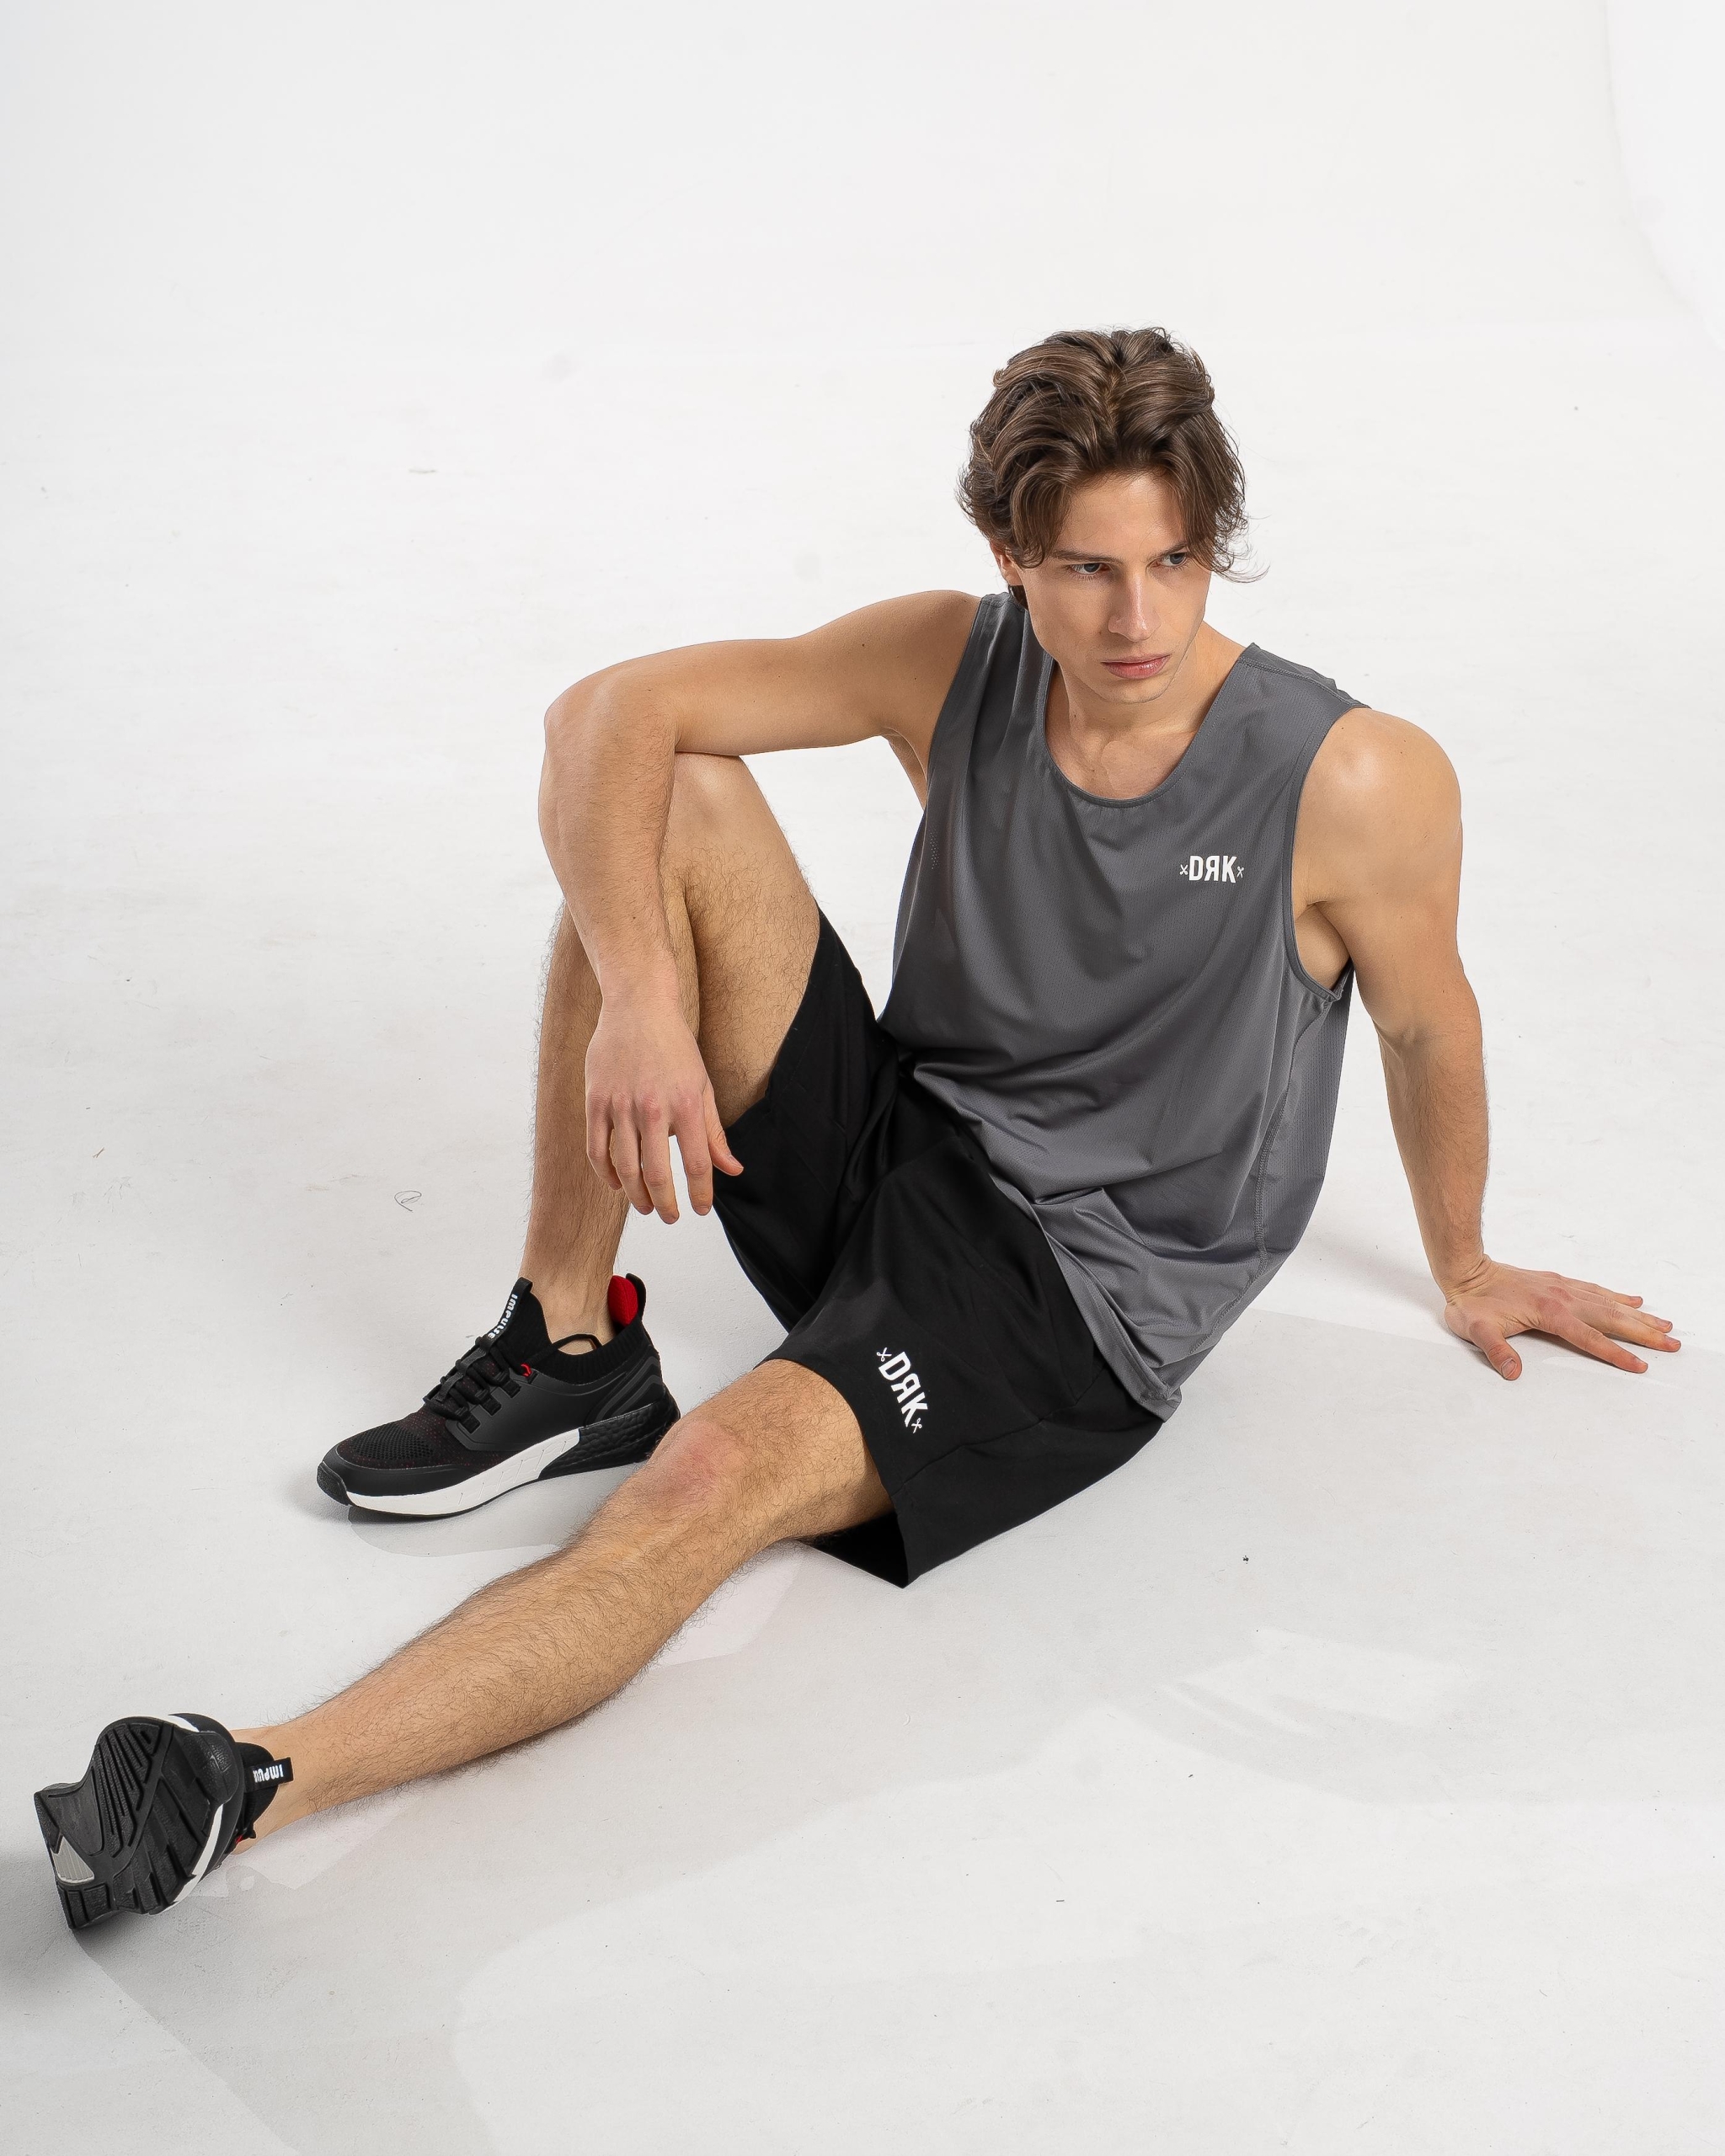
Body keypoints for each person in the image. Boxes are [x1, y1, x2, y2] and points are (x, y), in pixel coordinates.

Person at [35, 327, 1680, 1930]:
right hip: (904, 1135)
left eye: (1173, 563)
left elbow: (1426, 1020)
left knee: (706, 1480)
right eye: (1087, 570)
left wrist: (1466, 1261)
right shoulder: (949, 659)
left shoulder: (1348, 776)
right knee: (667, 790)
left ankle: (251, 1777)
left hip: (1062, 1298)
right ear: (1008, 555)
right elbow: (600, 712)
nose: (1137, 618)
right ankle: (567, 1345)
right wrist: (642, 997)